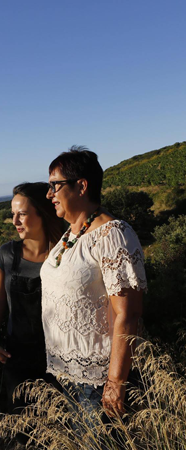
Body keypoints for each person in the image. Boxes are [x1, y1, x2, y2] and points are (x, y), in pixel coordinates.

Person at [41, 146, 147, 422]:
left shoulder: (113, 235)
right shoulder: (73, 233)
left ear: (81, 186)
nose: (49, 195)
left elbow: (129, 312)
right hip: (67, 373)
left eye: (55, 186)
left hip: (99, 381)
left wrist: (115, 382)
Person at [0, 182, 63, 414]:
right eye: (13, 214)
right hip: (18, 356)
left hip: (60, 356)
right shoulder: (7, 254)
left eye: (22, 214)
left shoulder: (64, 253)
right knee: (25, 424)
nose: (15, 221)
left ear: (43, 213)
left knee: (62, 423)